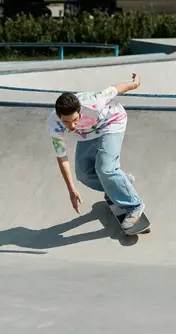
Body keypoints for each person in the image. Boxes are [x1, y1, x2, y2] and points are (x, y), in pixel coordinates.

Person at [47, 73, 145, 230]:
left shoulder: (93, 102)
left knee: (105, 169)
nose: (71, 126)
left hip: (112, 123)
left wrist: (135, 83)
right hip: (87, 134)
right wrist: (71, 190)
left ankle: (134, 206)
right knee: (83, 174)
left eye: (74, 120)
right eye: (66, 121)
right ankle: (120, 183)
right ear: (59, 116)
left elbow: (116, 89)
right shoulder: (54, 124)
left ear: (80, 111)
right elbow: (62, 157)